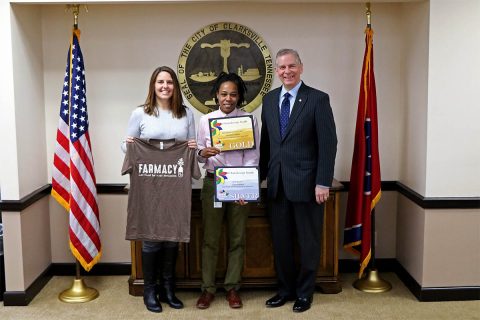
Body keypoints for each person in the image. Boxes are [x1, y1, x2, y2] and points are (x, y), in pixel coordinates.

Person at [259, 49, 337, 313]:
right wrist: (256, 180)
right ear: (277, 72)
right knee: (281, 243)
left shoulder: (317, 99)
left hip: (308, 186)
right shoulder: (269, 101)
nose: (286, 71)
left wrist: (323, 182)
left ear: (301, 68)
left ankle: (305, 293)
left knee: (308, 242)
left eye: (291, 66)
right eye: (281, 68)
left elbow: (328, 143)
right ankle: (285, 290)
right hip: (277, 186)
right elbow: (267, 145)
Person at [121, 66, 197, 313]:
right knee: (152, 240)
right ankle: (150, 290)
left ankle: (168, 288)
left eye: (170, 82)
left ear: (175, 86)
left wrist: (193, 146)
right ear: (153, 86)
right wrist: (130, 144)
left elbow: (191, 147)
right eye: (160, 82)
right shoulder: (140, 113)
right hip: (149, 187)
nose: (165, 86)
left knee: (172, 239)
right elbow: (126, 148)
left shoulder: (186, 114)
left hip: (176, 187)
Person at [195, 72, 260, 309]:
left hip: (239, 184)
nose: (228, 98)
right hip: (213, 183)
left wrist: (247, 188)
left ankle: (232, 288)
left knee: (237, 238)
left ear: (239, 96)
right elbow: (199, 153)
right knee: (210, 240)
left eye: (233, 94)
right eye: (224, 94)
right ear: (216, 95)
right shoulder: (206, 120)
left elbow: (253, 157)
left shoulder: (249, 120)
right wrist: (204, 153)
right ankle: (207, 290)